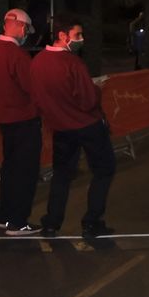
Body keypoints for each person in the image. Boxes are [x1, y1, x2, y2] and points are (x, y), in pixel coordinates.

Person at [29, 12, 117, 244]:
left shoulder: (37, 63)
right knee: (104, 170)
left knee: (62, 175)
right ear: (62, 35)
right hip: (88, 125)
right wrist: (96, 88)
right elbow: (88, 100)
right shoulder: (73, 63)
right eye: (77, 35)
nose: (81, 39)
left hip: (60, 128)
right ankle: (92, 222)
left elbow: (38, 98)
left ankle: (51, 223)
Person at [0, 8, 42, 236]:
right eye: (27, 29)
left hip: (4, 119)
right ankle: (18, 221)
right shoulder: (17, 54)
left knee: (10, 169)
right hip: (24, 119)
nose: (26, 33)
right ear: (19, 26)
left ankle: (5, 216)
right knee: (25, 172)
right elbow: (32, 87)